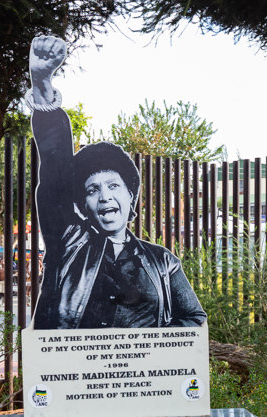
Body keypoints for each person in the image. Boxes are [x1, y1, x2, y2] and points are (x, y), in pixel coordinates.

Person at [27, 35, 206, 330]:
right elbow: (55, 167)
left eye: (113, 186)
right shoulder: (68, 241)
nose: (105, 197)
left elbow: (193, 318)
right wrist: (42, 84)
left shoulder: (163, 262)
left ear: (130, 197)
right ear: (83, 206)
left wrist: (147, 350)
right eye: (92, 190)